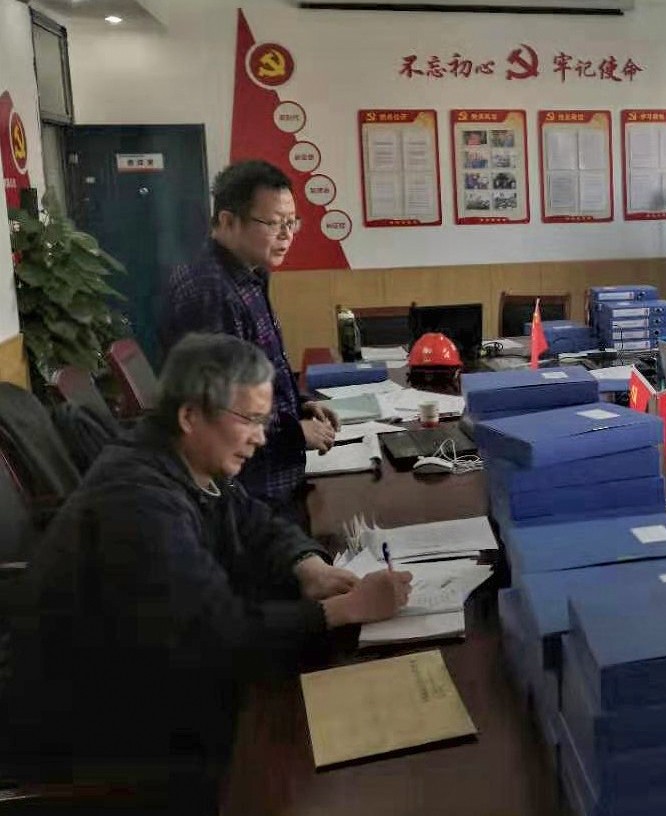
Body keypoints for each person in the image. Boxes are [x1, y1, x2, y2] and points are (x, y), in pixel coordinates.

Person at [8, 334, 412, 814]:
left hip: (150, 682)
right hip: (93, 731)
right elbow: (220, 635)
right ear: (190, 416)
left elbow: (254, 520)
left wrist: (308, 565)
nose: (261, 438)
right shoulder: (139, 502)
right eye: (250, 420)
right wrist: (340, 611)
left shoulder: (180, 456)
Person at [160, 160, 338, 520]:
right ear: (228, 221)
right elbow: (220, 407)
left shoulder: (249, 275)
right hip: (247, 495)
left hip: (273, 479)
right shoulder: (210, 290)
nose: (286, 235)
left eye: (292, 223)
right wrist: (295, 432)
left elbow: (261, 373)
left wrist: (299, 405)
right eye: (273, 223)